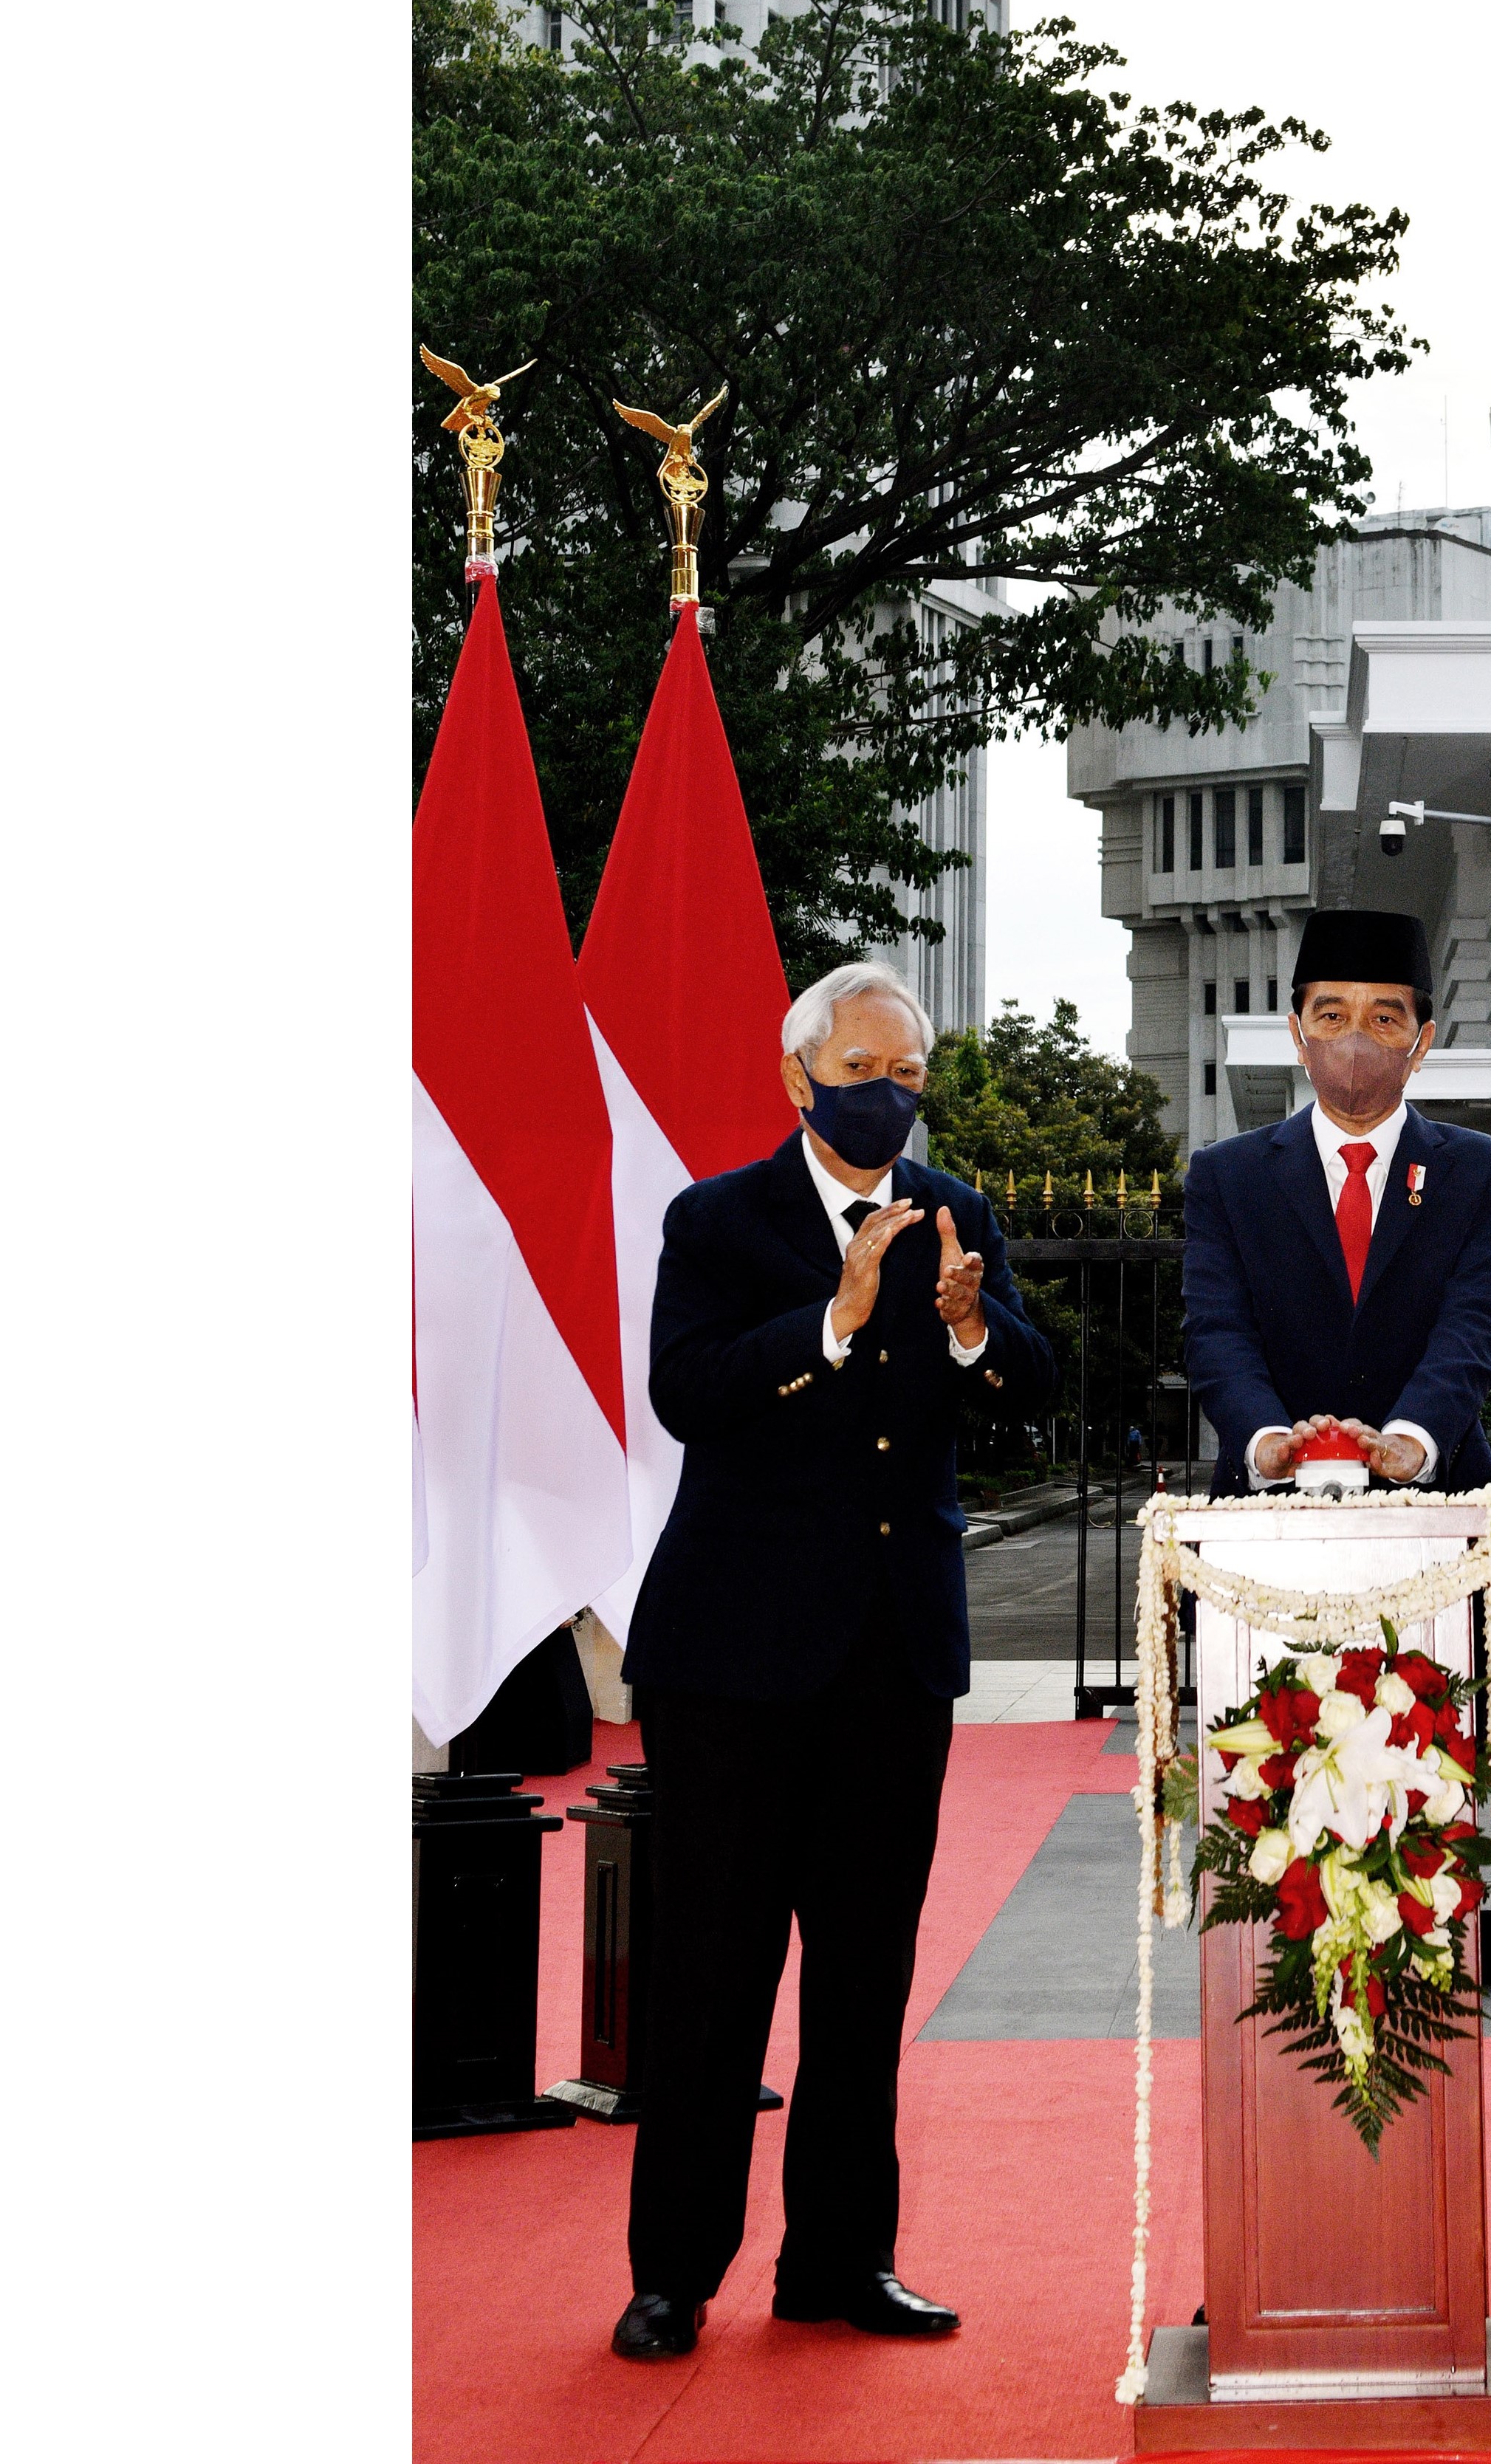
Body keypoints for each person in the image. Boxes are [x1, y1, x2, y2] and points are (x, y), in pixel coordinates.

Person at [605, 961, 1056, 2362]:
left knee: (863, 1980)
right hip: (731, 1663)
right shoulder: (718, 1220)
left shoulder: (958, 1215)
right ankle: (674, 2272)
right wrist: (837, 1319)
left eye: (909, 1073)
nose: (890, 1095)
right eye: (864, 1070)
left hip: (889, 1657)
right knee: (712, 1977)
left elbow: (1027, 1391)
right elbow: (688, 1391)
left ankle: (843, 2262)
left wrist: (973, 1326)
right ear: (800, 1079)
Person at [1181, 910, 1491, 1495]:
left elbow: (1476, 1323)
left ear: (1421, 1043)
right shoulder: (1227, 1176)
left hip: (1439, 1498)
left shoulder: (1482, 1171)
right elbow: (1216, 1329)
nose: (1355, 1038)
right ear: (1297, 1034)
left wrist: (1411, 1438)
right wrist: (1265, 1441)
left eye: (1384, 1017)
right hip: (1262, 1507)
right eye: (1332, 1015)